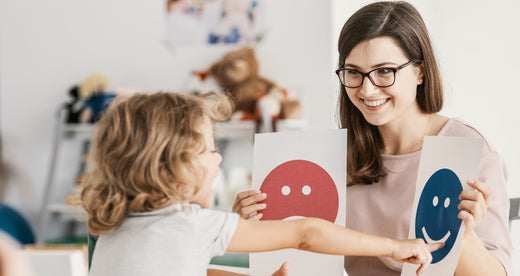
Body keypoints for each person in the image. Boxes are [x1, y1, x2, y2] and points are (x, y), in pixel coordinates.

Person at [232, 1, 513, 275]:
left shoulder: (467, 150)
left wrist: (464, 234)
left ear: (420, 71)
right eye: (353, 72)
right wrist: (252, 227)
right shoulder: (333, 156)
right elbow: (302, 250)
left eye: (384, 71)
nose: (367, 90)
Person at [80, 91, 441, 276]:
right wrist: (392, 247)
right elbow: (306, 232)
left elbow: (192, 270)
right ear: (172, 169)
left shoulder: (114, 228)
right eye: (209, 150)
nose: (218, 158)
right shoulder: (191, 226)